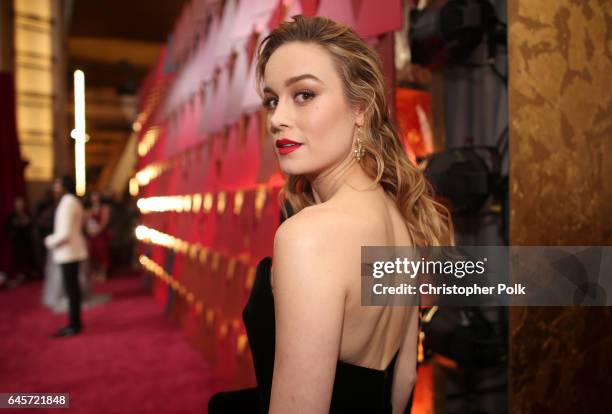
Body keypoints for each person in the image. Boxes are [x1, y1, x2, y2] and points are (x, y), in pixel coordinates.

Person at [209, 15, 454, 413]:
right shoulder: (398, 220)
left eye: (303, 94)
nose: (277, 119)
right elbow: (402, 384)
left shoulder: (309, 236)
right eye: (272, 100)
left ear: (361, 107)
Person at [44, 176, 88, 337]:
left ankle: (73, 325)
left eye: (57, 184)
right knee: (73, 290)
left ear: (64, 186)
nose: (55, 187)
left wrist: (49, 241)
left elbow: (64, 233)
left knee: (71, 290)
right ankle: (75, 323)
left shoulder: (67, 203)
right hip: (72, 250)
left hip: (68, 252)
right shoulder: (73, 202)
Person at [4, 196, 35, 285]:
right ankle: (19, 274)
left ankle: (30, 273)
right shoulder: (11, 215)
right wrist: (15, 224)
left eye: (21, 204)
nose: (20, 205)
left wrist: (27, 223)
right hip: (17, 241)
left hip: (27, 240)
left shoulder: (27, 213)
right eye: (18, 204)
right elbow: (7, 228)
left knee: (29, 257)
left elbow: (32, 224)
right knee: (18, 258)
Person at [85, 191, 111, 281]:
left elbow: (104, 221)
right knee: (92, 254)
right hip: (91, 235)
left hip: (101, 235)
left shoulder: (104, 208)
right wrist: (90, 231)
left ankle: (102, 273)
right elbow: (86, 222)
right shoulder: (89, 209)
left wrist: (98, 230)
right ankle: (94, 272)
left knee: (102, 253)